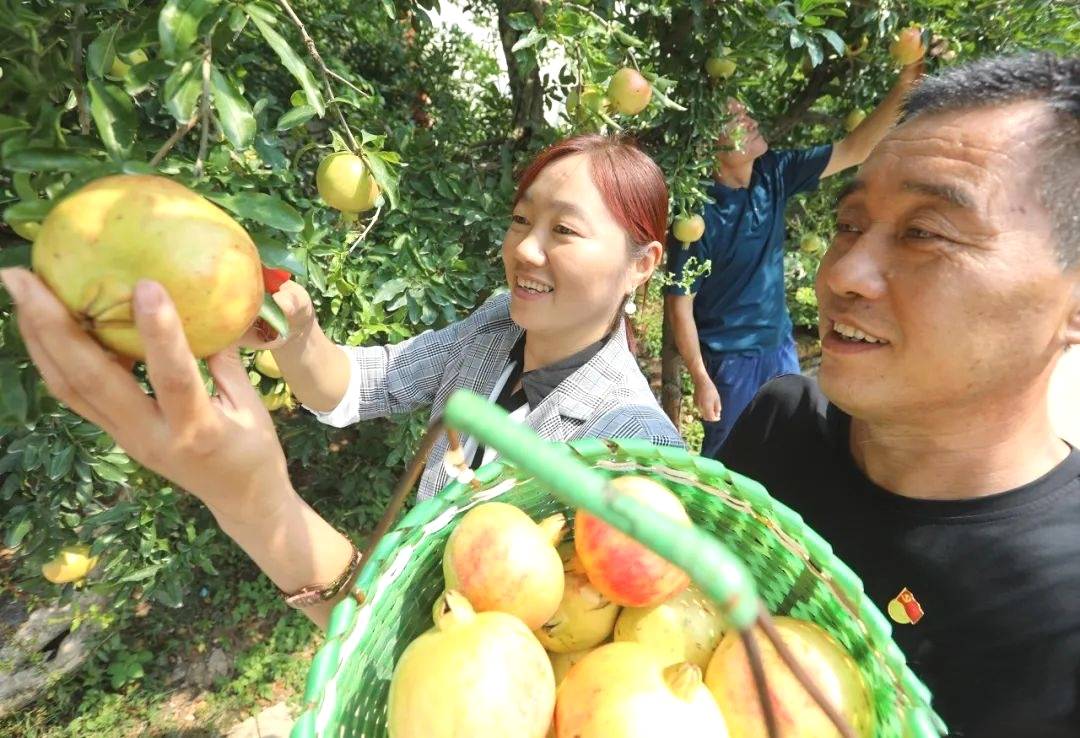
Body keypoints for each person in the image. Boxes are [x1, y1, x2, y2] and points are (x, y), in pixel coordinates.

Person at [0, 133, 682, 628]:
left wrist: (257, 506)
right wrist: (299, 337)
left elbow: (508, 668)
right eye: (521, 219)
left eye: (564, 229)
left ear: (642, 263)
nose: (524, 249)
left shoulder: (637, 454)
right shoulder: (496, 325)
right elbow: (368, 384)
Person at [719, 53, 1080, 737]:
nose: (843, 275)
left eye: (925, 233)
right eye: (849, 225)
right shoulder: (780, 426)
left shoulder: (1062, 611)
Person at [667, 56, 925, 456]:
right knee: (729, 456)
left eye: (746, 113)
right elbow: (680, 304)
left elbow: (856, 148)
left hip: (779, 343)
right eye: (733, 119)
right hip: (731, 359)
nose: (749, 121)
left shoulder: (774, 173)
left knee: (786, 442)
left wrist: (906, 83)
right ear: (709, 143)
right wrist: (701, 377)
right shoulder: (695, 215)